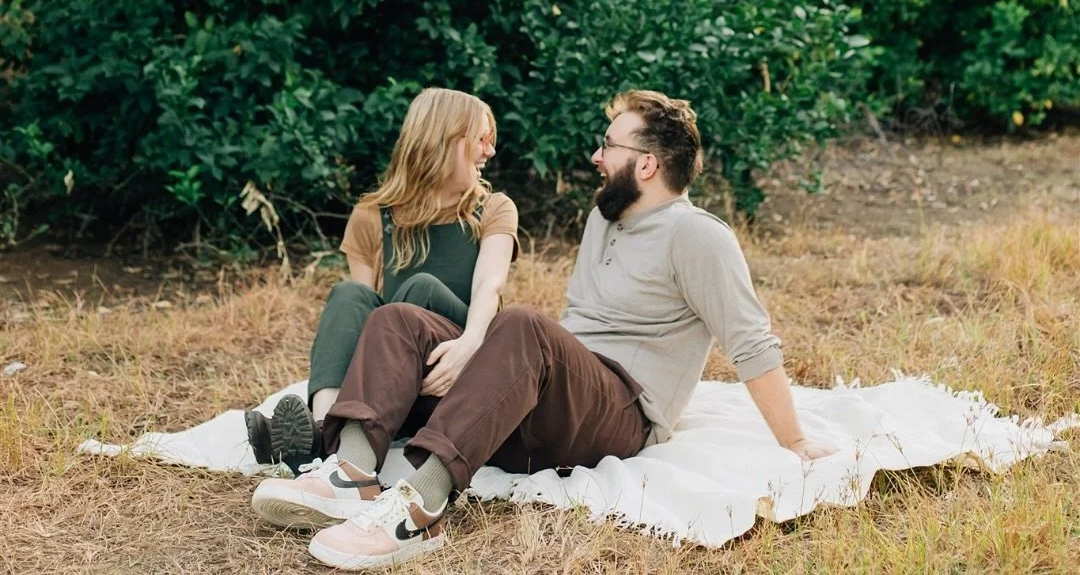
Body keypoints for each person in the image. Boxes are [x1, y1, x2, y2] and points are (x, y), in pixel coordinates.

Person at [251, 88, 834, 569]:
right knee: (398, 317)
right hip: (555, 407)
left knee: (522, 325)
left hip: (622, 414)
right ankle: (350, 471)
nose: (596, 157)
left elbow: (752, 342)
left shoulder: (700, 236)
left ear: (647, 164)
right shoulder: (603, 222)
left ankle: (420, 510)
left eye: (609, 145)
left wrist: (794, 442)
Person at [245, 86, 518, 474]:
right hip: (399, 374)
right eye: (482, 138)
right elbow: (362, 323)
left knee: (418, 290)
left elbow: (490, 285)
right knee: (349, 294)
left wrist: (471, 342)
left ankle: (323, 438)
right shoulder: (373, 215)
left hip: (462, 365)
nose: (490, 150)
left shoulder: (492, 208)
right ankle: (325, 430)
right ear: (446, 140)